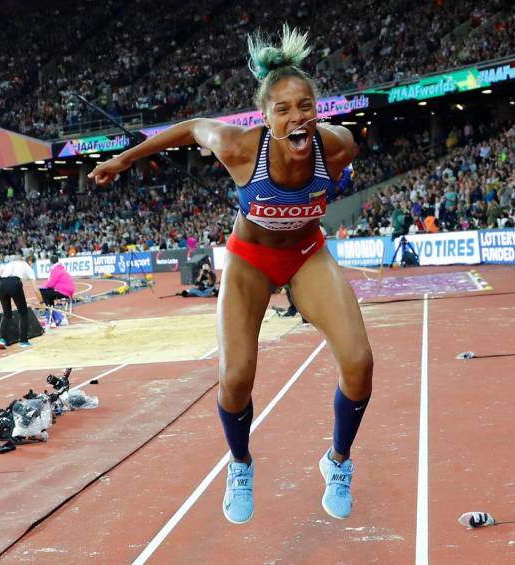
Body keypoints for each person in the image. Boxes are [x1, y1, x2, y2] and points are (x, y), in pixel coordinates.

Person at [89, 25, 373, 525]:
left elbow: (345, 166)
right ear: (265, 117)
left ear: (318, 109)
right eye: (282, 109)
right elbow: (192, 126)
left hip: (308, 253)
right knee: (236, 377)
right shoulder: (242, 148)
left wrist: (339, 180)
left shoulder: (339, 146)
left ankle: (338, 461)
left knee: (360, 363)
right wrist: (123, 159)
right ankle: (240, 463)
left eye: (305, 105)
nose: (296, 117)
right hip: (249, 261)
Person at [0, 255, 43, 348]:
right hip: (15, 283)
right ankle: (23, 341)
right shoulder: (28, 267)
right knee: (23, 312)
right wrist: (41, 303)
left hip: (2, 284)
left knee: (6, 313)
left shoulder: (11, 263)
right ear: (31, 262)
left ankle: (2, 339)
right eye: (33, 264)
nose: (33, 267)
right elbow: (36, 289)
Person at [40, 255, 75, 326]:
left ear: (51, 262)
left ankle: (50, 315)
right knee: (48, 294)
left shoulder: (55, 269)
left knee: (43, 292)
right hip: (68, 291)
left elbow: (51, 283)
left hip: (64, 291)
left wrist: (41, 287)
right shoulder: (60, 268)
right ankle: (54, 316)